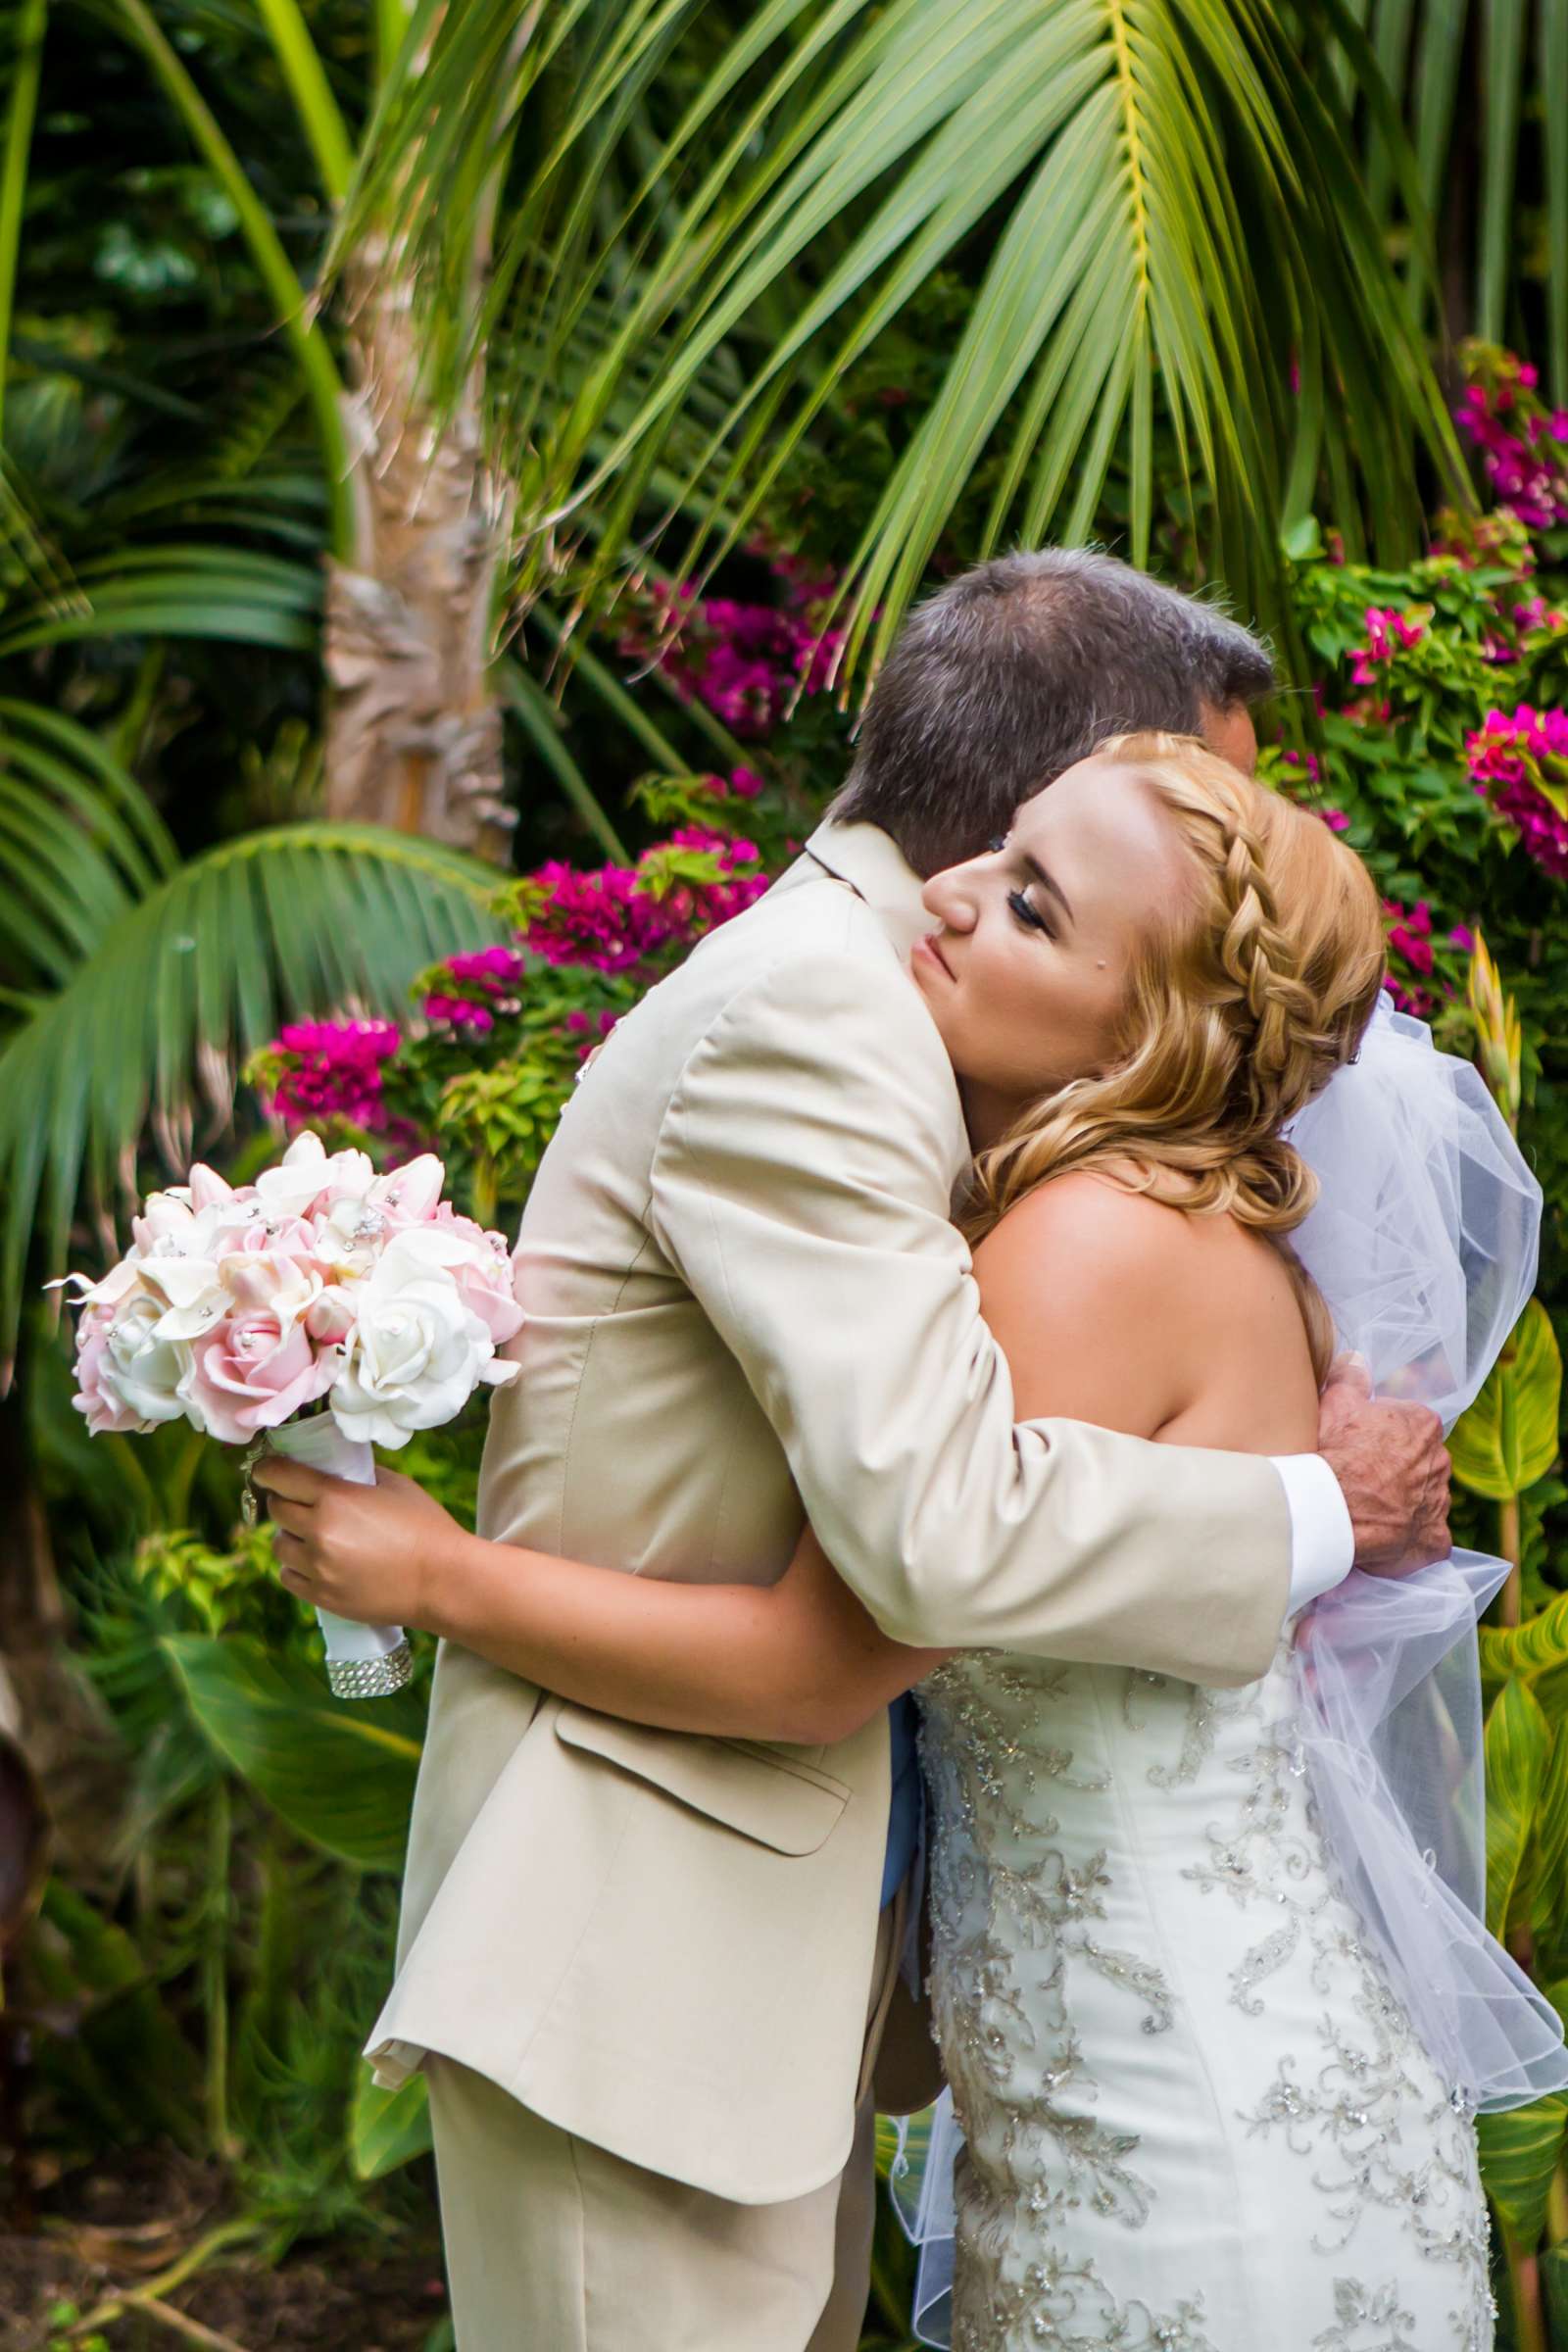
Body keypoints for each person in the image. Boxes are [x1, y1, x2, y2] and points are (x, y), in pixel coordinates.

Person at [255, 563, 1451, 2352]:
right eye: (1185, 793)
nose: (1232, 825)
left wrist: (442, 1581)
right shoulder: (835, 1017)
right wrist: (1314, 1508)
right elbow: (940, 1541)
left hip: (982, 2043)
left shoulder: (1065, 1189)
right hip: (657, 1974)